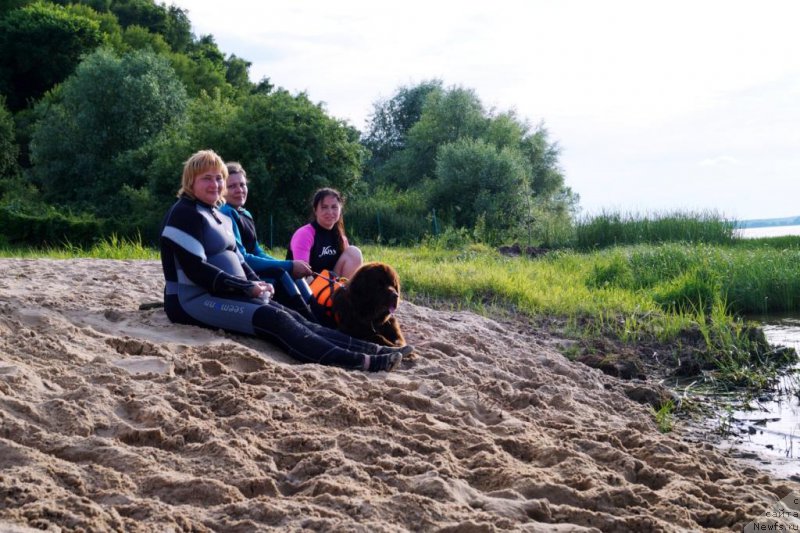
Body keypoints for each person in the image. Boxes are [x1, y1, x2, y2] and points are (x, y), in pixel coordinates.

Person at [160, 149, 408, 371]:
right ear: (190, 181)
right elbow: (195, 269)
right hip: (191, 300)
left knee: (293, 315)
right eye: (207, 178)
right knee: (276, 321)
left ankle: (374, 348)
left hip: (226, 293)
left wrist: (257, 283)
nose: (215, 184)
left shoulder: (219, 215)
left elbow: (240, 260)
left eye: (219, 178)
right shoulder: (184, 214)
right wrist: (247, 287)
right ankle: (361, 361)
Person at [219, 162, 315, 320]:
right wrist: (288, 265)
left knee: (287, 271)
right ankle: (309, 318)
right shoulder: (226, 213)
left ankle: (315, 310)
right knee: (280, 272)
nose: (239, 190)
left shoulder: (245, 214)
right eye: (232, 186)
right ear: (222, 190)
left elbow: (257, 251)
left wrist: (290, 265)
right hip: (240, 276)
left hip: (252, 270)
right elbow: (242, 258)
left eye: (242, 184)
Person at [288, 188, 363, 279]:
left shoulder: (340, 237)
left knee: (354, 252)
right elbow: (301, 274)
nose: (330, 212)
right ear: (315, 210)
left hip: (333, 287)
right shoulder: (304, 234)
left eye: (334, 207)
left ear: (340, 210)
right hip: (306, 287)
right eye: (324, 207)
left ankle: (346, 292)